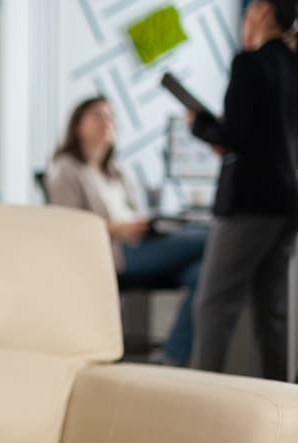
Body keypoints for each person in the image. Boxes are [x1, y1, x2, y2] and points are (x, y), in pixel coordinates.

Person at [186, 0, 298, 380]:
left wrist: (201, 127)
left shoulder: (250, 63)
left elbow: (236, 135)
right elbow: (282, 144)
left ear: (263, 13)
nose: (244, 20)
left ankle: (197, 397)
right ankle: (278, 401)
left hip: (250, 203)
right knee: (272, 313)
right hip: (286, 205)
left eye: (248, 12)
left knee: (214, 304)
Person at [46, 96, 206, 366]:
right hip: (113, 253)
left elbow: (134, 212)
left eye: (110, 117)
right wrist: (117, 229)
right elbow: (68, 227)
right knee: (212, 237)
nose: (106, 122)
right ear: (77, 126)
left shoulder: (116, 173)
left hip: (140, 244)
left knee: (204, 273)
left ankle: (171, 358)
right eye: (97, 116)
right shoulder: (66, 170)